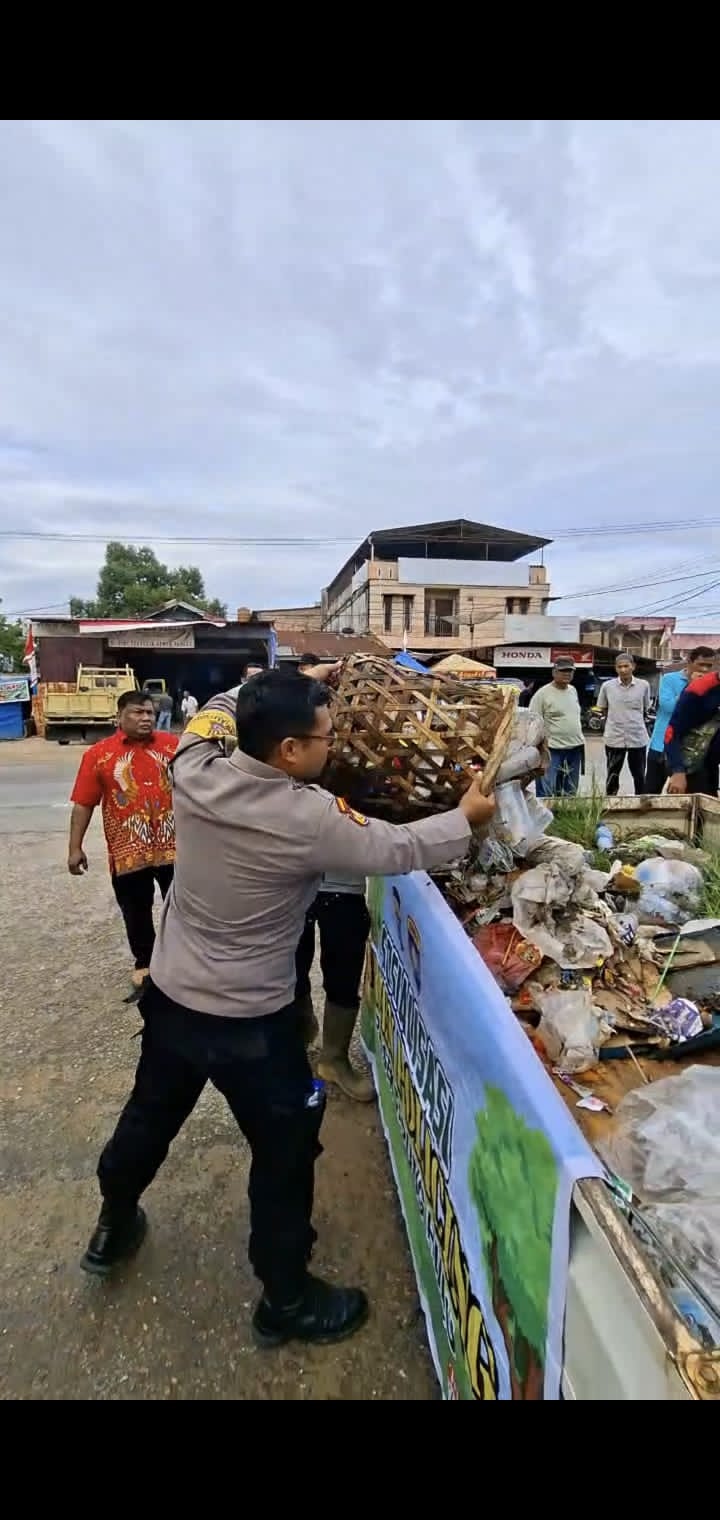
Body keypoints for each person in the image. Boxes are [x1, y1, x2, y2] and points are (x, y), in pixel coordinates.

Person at [80, 668, 495, 1352]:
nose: (335, 744)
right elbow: (399, 846)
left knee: (148, 1117)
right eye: (326, 736)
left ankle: (113, 1222)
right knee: (284, 1152)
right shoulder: (310, 817)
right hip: (253, 1023)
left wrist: (265, 685)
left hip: (174, 1002)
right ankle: (286, 1298)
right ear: (291, 751)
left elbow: (217, 712)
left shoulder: (195, 766)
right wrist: (467, 819)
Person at [68, 690, 179, 997]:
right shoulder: (99, 755)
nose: (146, 718)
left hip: (175, 847)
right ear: (119, 716)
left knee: (182, 907)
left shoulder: (174, 747)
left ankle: (181, 961)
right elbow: (83, 803)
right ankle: (145, 962)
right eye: (137, 712)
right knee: (135, 908)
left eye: (150, 713)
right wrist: (75, 847)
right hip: (128, 849)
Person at [645, 647, 715, 794]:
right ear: (689, 661)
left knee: (688, 796)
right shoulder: (669, 679)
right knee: (651, 793)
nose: (704, 669)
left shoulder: (711, 686)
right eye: (701, 664)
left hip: (689, 750)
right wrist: (692, 687)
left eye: (709, 666)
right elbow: (668, 707)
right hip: (660, 746)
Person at [597, 654, 651, 795]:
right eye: (619, 667)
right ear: (615, 668)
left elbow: (646, 708)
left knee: (639, 775)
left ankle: (640, 803)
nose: (623, 670)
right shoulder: (607, 686)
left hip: (637, 738)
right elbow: (603, 708)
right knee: (612, 775)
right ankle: (611, 804)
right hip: (614, 738)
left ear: (633, 666)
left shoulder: (644, 685)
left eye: (626, 666)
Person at [529, 658, 584, 796]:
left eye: (570, 671)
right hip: (551, 750)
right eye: (563, 670)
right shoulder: (542, 694)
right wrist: (539, 749)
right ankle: (546, 811)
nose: (567, 674)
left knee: (570, 791)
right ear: (554, 672)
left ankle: (566, 811)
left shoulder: (573, 690)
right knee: (547, 791)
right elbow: (532, 723)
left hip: (574, 747)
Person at [666, 667, 720, 795]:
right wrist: (678, 771)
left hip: (712, 764)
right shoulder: (699, 689)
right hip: (690, 764)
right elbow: (672, 733)